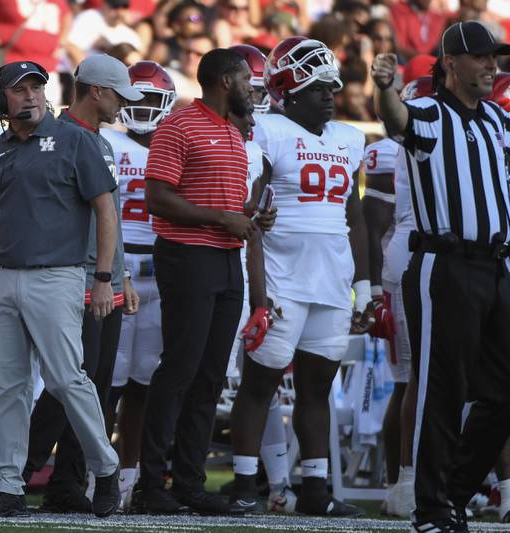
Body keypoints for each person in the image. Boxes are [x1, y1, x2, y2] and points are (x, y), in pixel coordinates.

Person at [0, 60, 121, 518]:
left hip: (59, 276)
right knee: (9, 386)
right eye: (19, 90)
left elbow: (106, 209)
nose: (32, 96)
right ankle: (6, 485)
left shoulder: (76, 140)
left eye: (36, 87)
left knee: (66, 379)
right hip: (3, 279)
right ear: (1, 101)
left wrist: (104, 278)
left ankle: (105, 468)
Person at [371, 20, 510, 532]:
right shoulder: (430, 113)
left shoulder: (495, 118)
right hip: (445, 265)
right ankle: (432, 510)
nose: (492, 66)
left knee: (503, 392)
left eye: (495, 57)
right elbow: (396, 119)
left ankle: (452, 492)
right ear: (451, 62)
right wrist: (385, 88)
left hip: (496, 265)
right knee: (441, 389)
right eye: (480, 57)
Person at [228, 37, 371, 518]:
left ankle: (315, 488)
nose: (329, 95)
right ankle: (246, 483)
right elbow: (249, 209)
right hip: (281, 277)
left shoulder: (350, 138)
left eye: (331, 86)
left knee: (317, 388)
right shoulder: (266, 132)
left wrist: (364, 288)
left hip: (331, 280)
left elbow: (356, 218)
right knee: (260, 384)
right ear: (287, 92)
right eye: (316, 88)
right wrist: (259, 291)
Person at [137, 48, 266, 515]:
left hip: (227, 261)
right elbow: (157, 197)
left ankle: (189, 483)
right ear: (226, 80)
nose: (252, 89)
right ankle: (152, 484)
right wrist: (222, 218)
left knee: (211, 377)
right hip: (187, 258)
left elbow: (227, 210)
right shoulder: (179, 125)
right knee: (180, 370)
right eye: (247, 80)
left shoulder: (233, 131)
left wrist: (250, 218)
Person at [20, 54, 143, 513]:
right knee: (70, 382)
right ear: (96, 91)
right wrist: (101, 276)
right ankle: (18, 473)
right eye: (117, 96)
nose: (122, 106)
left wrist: (120, 274)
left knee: (95, 384)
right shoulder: (53, 136)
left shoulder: (104, 143)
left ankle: (66, 481)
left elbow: (110, 216)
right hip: (72, 278)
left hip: (103, 278)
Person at [100, 60, 177, 511]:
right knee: (103, 379)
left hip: (160, 270)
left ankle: (130, 474)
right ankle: (97, 472)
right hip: (114, 266)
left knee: (143, 381)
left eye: (152, 99)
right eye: (137, 97)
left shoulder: (174, 143)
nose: (143, 107)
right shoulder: (104, 139)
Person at [225, 44, 296, 515]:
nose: (254, 98)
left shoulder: (270, 138)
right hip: (210, 266)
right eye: (247, 88)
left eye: (259, 88)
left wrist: (265, 291)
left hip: (265, 271)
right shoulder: (207, 134)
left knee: (262, 383)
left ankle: (277, 483)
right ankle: (147, 475)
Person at [362, 75, 435, 519]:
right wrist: (371, 289)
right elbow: (375, 222)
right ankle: (402, 481)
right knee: (410, 380)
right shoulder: (390, 146)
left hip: (422, 260)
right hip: (408, 264)